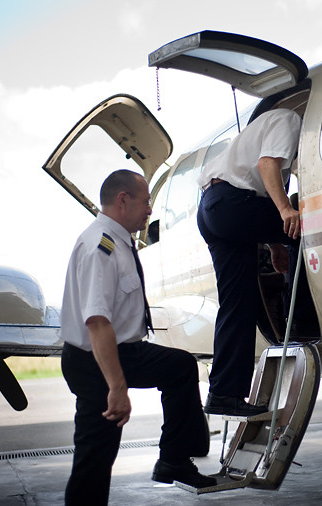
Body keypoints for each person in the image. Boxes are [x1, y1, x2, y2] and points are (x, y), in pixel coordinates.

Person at [60, 169, 215, 505]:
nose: (149, 210)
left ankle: (173, 460)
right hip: (95, 361)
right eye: (146, 202)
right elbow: (97, 323)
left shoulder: (119, 240)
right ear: (122, 200)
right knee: (96, 456)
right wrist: (117, 388)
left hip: (124, 351)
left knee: (181, 367)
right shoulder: (98, 246)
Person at [197, 108, 305, 417]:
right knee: (307, 222)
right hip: (233, 203)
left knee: (236, 304)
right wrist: (285, 210)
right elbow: (267, 165)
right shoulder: (290, 119)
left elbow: (257, 182)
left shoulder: (259, 128)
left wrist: (274, 243)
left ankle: (223, 393)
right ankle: (295, 318)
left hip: (211, 209)